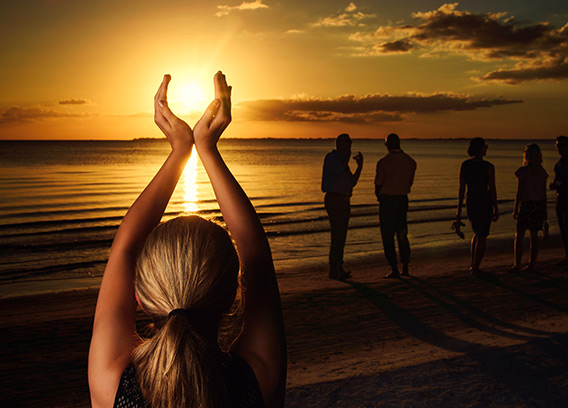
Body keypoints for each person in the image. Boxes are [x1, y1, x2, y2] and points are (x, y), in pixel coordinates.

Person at [88, 72, 287, 408]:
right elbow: (256, 256)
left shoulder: (113, 381)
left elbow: (123, 249)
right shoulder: (258, 375)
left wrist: (179, 151)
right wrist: (206, 149)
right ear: (234, 295)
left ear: (138, 294)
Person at [321, 134, 363, 280]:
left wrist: (360, 167)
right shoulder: (332, 158)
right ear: (339, 144)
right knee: (337, 234)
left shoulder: (343, 161)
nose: (349, 146)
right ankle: (335, 267)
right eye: (347, 143)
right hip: (334, 199)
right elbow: (339, 171)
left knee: (341, 234)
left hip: (344, 199)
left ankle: (338, 266)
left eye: (350, 144)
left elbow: (352, 182)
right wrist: (346, 156)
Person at [375, 133, 417, 278]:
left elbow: (378, 185)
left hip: (387, 200)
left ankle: (394, 268)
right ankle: (405, 266)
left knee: (388, 236)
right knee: (402, 233)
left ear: (388, 145)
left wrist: (379, 197)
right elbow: (410, 182)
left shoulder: (383, 162)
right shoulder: (410, 162)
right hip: (402, 198)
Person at [455, 137, 499, 275]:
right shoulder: (488, 167)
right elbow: (492, 188)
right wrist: (496, 206)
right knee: (482, 235)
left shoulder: (465, 165)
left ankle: (473, 265)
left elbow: (462, 188)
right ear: (481, 148)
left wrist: (459, 209)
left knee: (477, 233)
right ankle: (475, 267)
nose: (486, 149)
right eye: (485, 146)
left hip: (471, 200)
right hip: (484, 201)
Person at [511, 144, 548, 272]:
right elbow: (544, 193)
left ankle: (517, 264)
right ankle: (532, 264)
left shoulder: (523, 172)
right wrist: (545, 211)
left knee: (519, 236)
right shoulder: (542, 172)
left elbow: (519, 192)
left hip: (527, 204)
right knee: (534, 236)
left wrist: (516, 208)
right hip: (538, 204)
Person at [550, 135, 568, 265]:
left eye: (561, 145)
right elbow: (558, 180)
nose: (559, 148)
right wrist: (555, 184)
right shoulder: (559, 163)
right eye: (557, 146)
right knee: (563, 228)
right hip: (560, 198)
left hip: (565, 197)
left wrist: (559, 184)